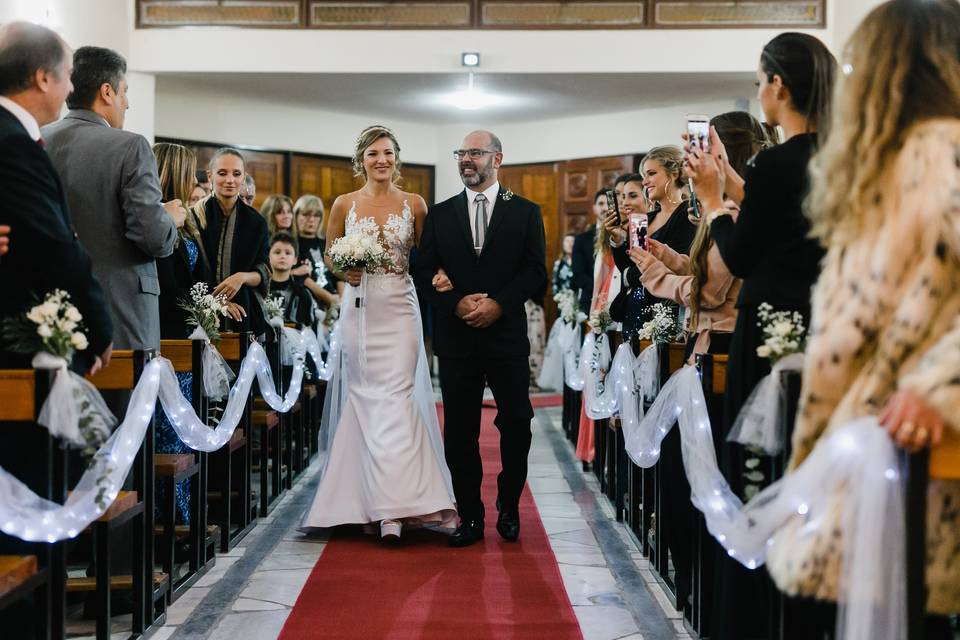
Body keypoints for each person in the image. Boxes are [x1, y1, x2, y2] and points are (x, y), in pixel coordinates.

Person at [762, 2, 959, 637]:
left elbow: (853, 336)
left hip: (911, 460)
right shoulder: (909, 160)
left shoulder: (934, 157)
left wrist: (939, 385)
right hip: (889, 456)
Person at [684, 32, 837, 640]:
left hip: (770, 329)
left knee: (759, 469)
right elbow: (791, 215)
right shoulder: (838, 157)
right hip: (823, 327)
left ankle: (753, 611)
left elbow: (744, 256)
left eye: (759, 82)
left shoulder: (776, 162)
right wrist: (736, 188)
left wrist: (714, 203)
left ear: (778, 86)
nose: (758, 93)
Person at [302, 126, 456, 541]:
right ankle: (364, 501)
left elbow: (427, 260)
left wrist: (442, 277)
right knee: (365, 396)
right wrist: (345, 269)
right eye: (373, 154)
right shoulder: (344, 204)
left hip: (401, 308)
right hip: (361, 309)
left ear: (397, 158)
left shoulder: (415, 203)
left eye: (388, 153)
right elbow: (331, 259)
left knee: (398, 397)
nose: (381, 160)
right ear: (361, 160)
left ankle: (404, 503)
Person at [415, 129, 547, 547]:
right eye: (461, 153)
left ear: (498, 158)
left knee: (517, 424)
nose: (466, 159)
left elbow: (535, 273)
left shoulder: (525, 212)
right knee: (460, 432)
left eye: (475, 152)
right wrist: (455, 304)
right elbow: (423, 272)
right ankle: (470, 515)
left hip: (506, 336)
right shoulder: (440, 214)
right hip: (458, 340)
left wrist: (498, 305)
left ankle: (509, 505)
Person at [42, 45, 184, 353]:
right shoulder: (130, 147)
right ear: (107, 92)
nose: (127, 103)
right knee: (125, 400)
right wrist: (169, 218)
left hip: (50, 311)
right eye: (125, 92)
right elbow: (153, 237)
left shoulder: (40, 139)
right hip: (121, 312)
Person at [0, 22, 112, 374]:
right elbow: (53, 244)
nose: (73, 87)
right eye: (68, 74)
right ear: (43, 78)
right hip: (16, 341)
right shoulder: (13, 143)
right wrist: (99, 328)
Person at [609, 147, 697, 338]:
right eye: (644, 175)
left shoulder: (686, 214)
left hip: (663, 313)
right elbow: (628, 264)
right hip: (633, 310)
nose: (645, 181)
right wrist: (618, 239)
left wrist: (629, 276)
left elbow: (677, 265)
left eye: (651, 174)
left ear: (673, 174)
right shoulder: (645, 218)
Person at [194, 148, 270, 335]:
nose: (230, 180)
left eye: (236, 174)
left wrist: (241, 277)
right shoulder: (194, 216)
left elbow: (265, 271)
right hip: (198, 311)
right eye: (222, 173)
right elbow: (187, 272)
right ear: (210, 176)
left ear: (243, 176)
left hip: (243, 312)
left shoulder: (257, 222)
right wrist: (216, 301)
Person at [293, 194, 339, 310]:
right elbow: (302, 278)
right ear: (296, 215)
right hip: (309, 303)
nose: (312, 219)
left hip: (335, 298)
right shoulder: (292, 244)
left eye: (316, 215)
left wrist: (342, 299)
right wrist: (329, 298)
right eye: (306, 214)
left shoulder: (326, 243)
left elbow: (338, 273)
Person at [267, 232, 313, 327]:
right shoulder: (260, 291)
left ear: (295, 259)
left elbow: (308, 329)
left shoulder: (303, 295)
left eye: (288, 253)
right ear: (269, 257)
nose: (282, 256)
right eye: (277, 252)